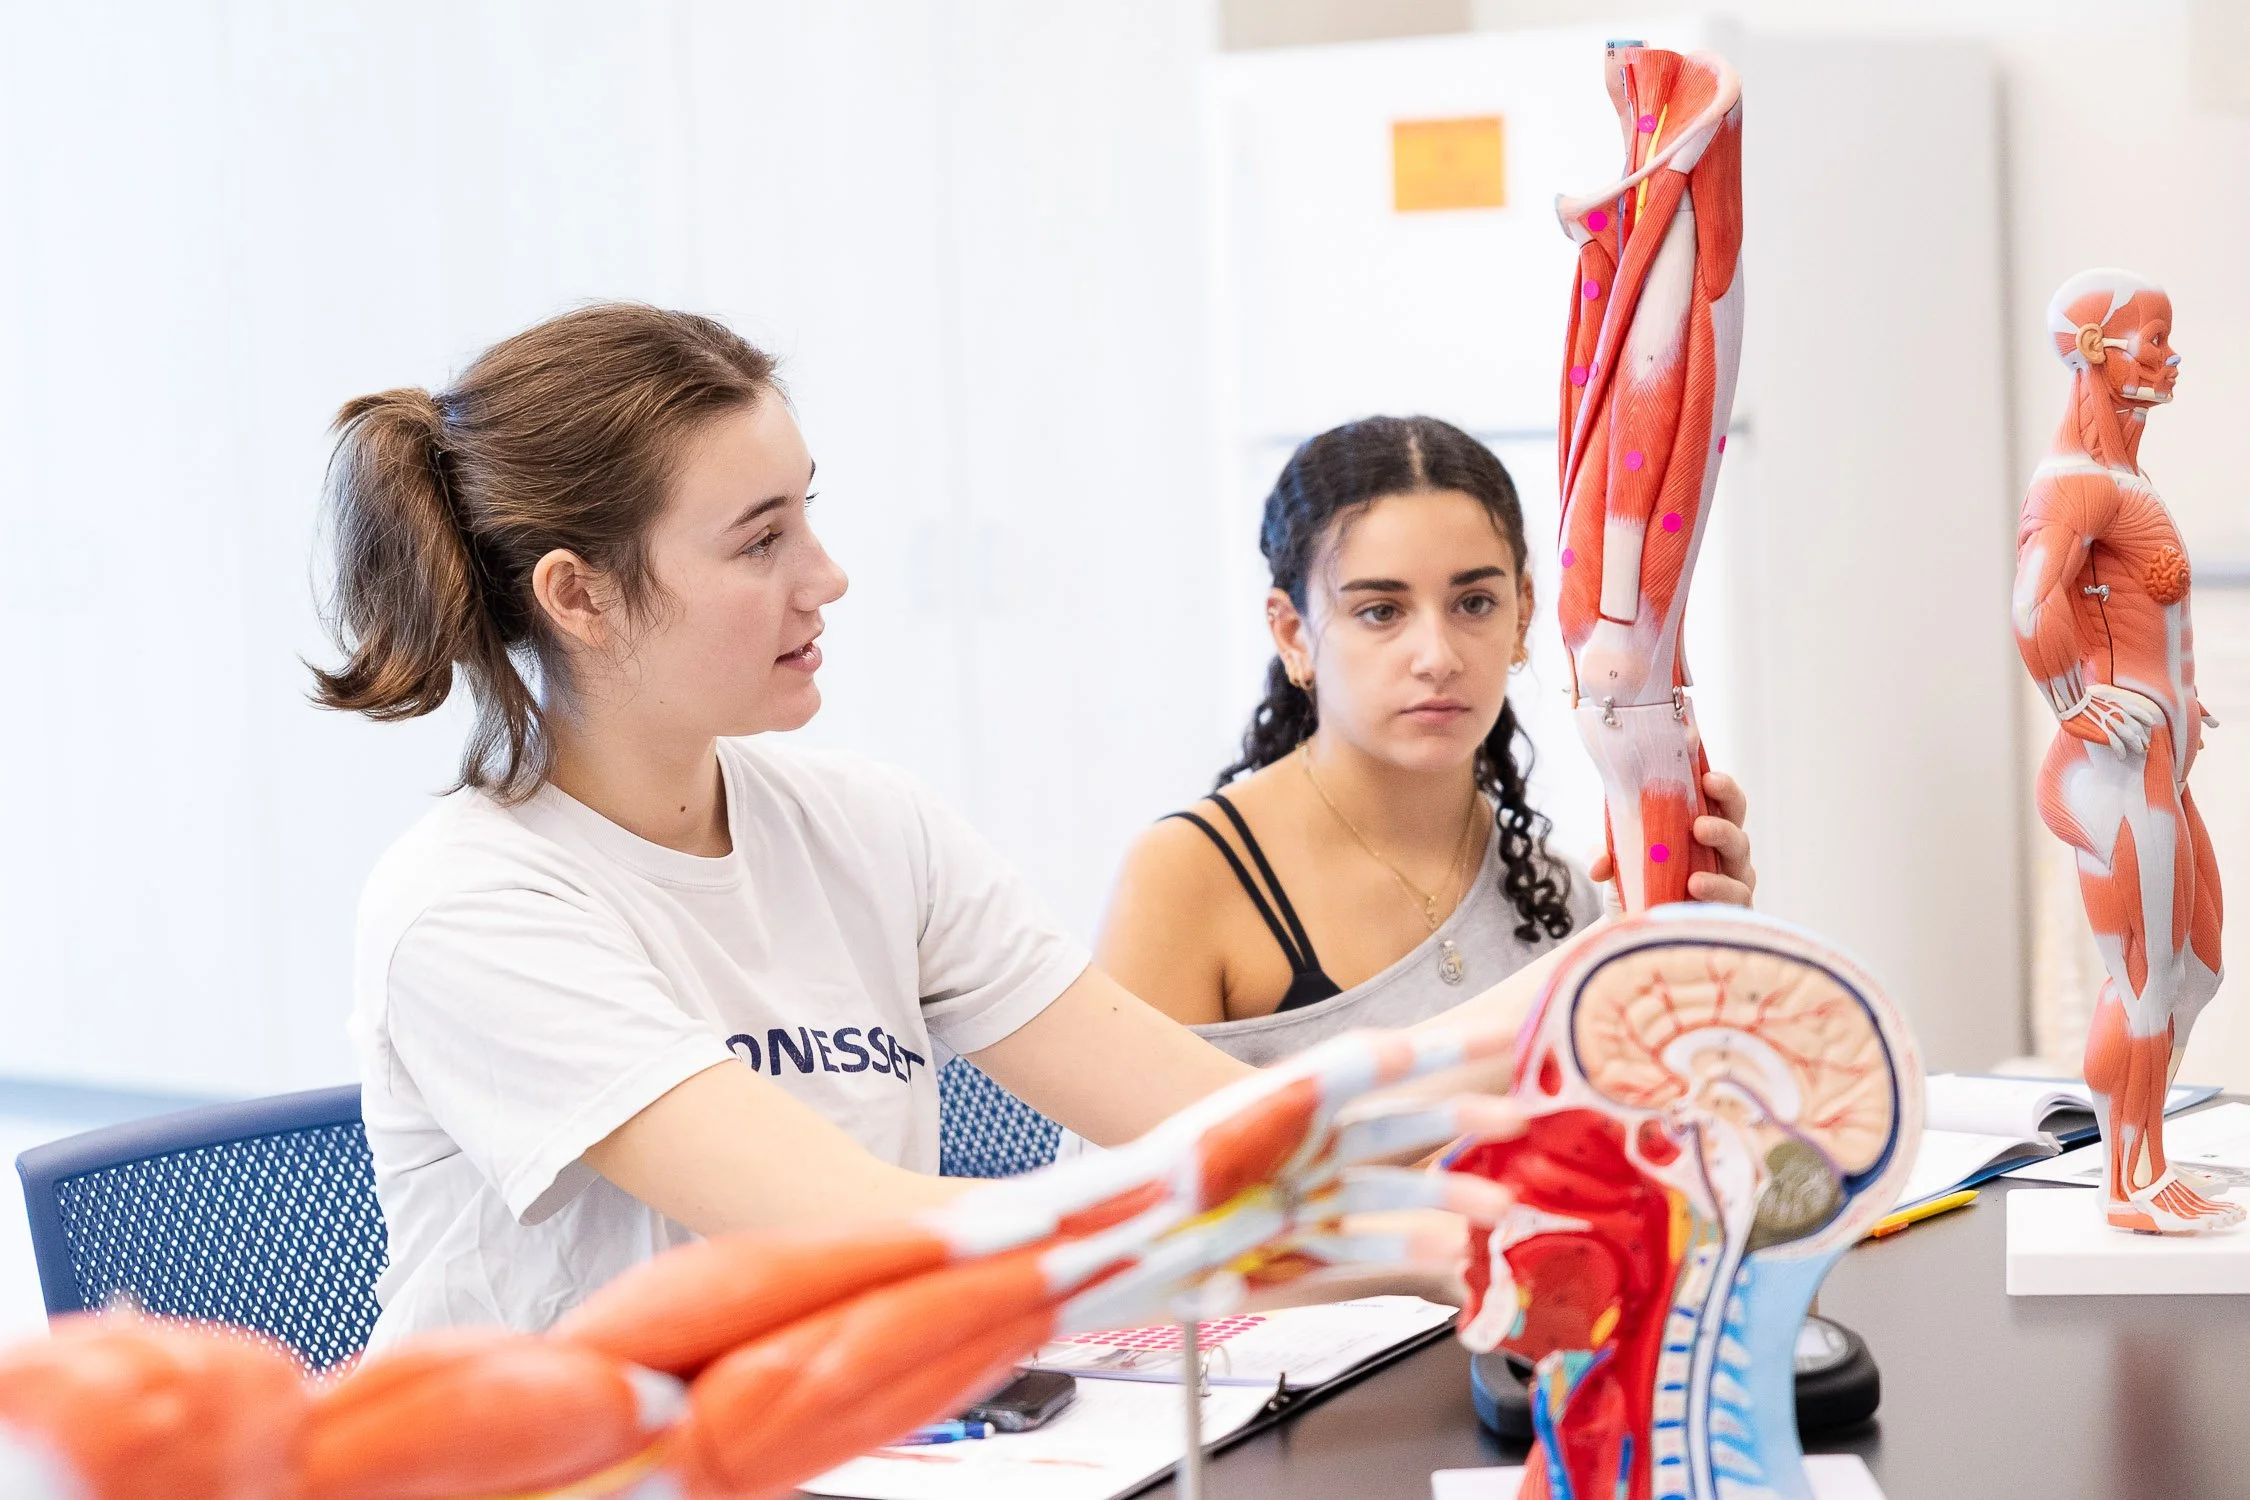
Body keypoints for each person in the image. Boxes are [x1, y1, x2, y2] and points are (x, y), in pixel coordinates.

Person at [312, 307, 1749, 1347]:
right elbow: (869, 1234)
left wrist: (1485, 1213)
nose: (829, 576)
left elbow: (1209, 1123)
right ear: (578, 595)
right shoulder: (472, 905)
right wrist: (1441, 1197)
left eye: (808, 514)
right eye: (760, 542)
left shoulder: (868, 828)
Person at [1095, 417, 1754, 1064]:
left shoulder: (1570, 899)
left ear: (1523, 614)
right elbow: (1129, 1172)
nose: (1436, 657)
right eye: (1381, 611)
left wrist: (1704, 966)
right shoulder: (1185, 877)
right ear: (1293, 633)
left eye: (1474, 604)